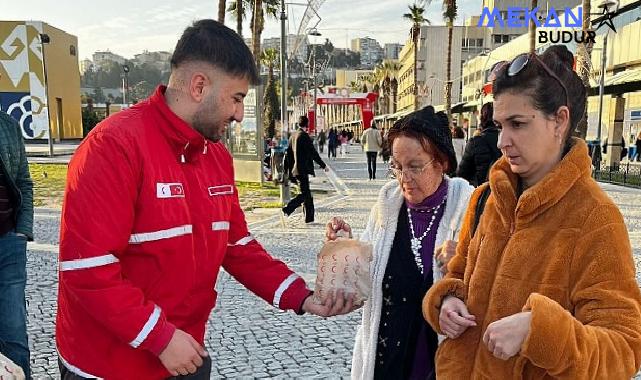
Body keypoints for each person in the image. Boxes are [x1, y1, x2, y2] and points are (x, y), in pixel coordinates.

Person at [55, 20, 355, 380]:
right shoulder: (113, 147)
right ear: (199, 86)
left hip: (185, 356)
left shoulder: (216, 158)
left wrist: (302, 297)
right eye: (237, 98)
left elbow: (238, 245)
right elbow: (87, 269)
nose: (240, 114)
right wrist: (161, 339)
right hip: (108, 366)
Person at [423, 45, 641, 379]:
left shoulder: (595, 218)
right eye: (499, 125)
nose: (502, 141)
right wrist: (447, 303)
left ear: (560, 120)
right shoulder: (486, 199)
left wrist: (541, 332)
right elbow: (457, 276)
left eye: (518, 124)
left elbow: (623, 350)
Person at [327, 106, 474, 379]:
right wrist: (347, 248)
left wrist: (468, 260)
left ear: (441, 163)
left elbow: (495, 288)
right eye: (397, 166)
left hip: (439, 363)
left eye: (415, 167)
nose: (404, 178)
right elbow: (362, 287)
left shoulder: (469, 209)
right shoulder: (386, 209)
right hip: (387, 361)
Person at [0, 107, 33, 379]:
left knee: (14, 334)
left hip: (9, 243)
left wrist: (22, 231)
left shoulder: (9, 126)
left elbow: (24, 181)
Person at [282, 115, 328, 224]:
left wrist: (287, 171)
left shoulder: (293, 136)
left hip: (295, 169)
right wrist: (323, 165)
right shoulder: (304, 136)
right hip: (302, 169)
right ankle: (287, 209)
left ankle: (309, 218)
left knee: (307, 194)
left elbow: (288, 154)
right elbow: (313, 153)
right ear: (307, 125)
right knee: (305, 194)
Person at [456, 103, 501, 186]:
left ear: (482, 118)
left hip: (480, 193)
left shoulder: (475, 142)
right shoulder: (506, 140)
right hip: (503, 192)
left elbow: (461, 173)